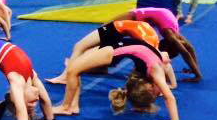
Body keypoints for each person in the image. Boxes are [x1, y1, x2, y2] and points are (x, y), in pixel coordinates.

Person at [52, 37, 178, 120]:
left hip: (114, 49)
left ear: (149, 87)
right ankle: (73, 106)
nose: (161, 92)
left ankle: (66, 107)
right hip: (119, 43)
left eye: (157, 94)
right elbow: (168, 95)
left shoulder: (155, 73)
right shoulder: (156, 72)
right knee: (75, 68)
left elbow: (169, 97)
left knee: (73, 70)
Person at [46, 20, 175, 86]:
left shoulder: (153, 51)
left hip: (123, 30)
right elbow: (165, 66)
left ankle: (75, 71)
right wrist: (168, 84)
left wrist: (168, 84)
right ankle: (65, 76)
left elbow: (166, 66)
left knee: (90, 50)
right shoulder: (151, 51)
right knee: (80, 46)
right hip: (116, 27)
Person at [112, 7, 201, 81]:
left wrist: (195, 70)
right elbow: (185, 52)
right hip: (136, 14)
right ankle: (106, 61)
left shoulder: (174, 33)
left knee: (117, 36)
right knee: (106, 29)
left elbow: (189, 48)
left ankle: (111, 61)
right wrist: (197, 74)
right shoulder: (169, 34)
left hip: (160, 13)